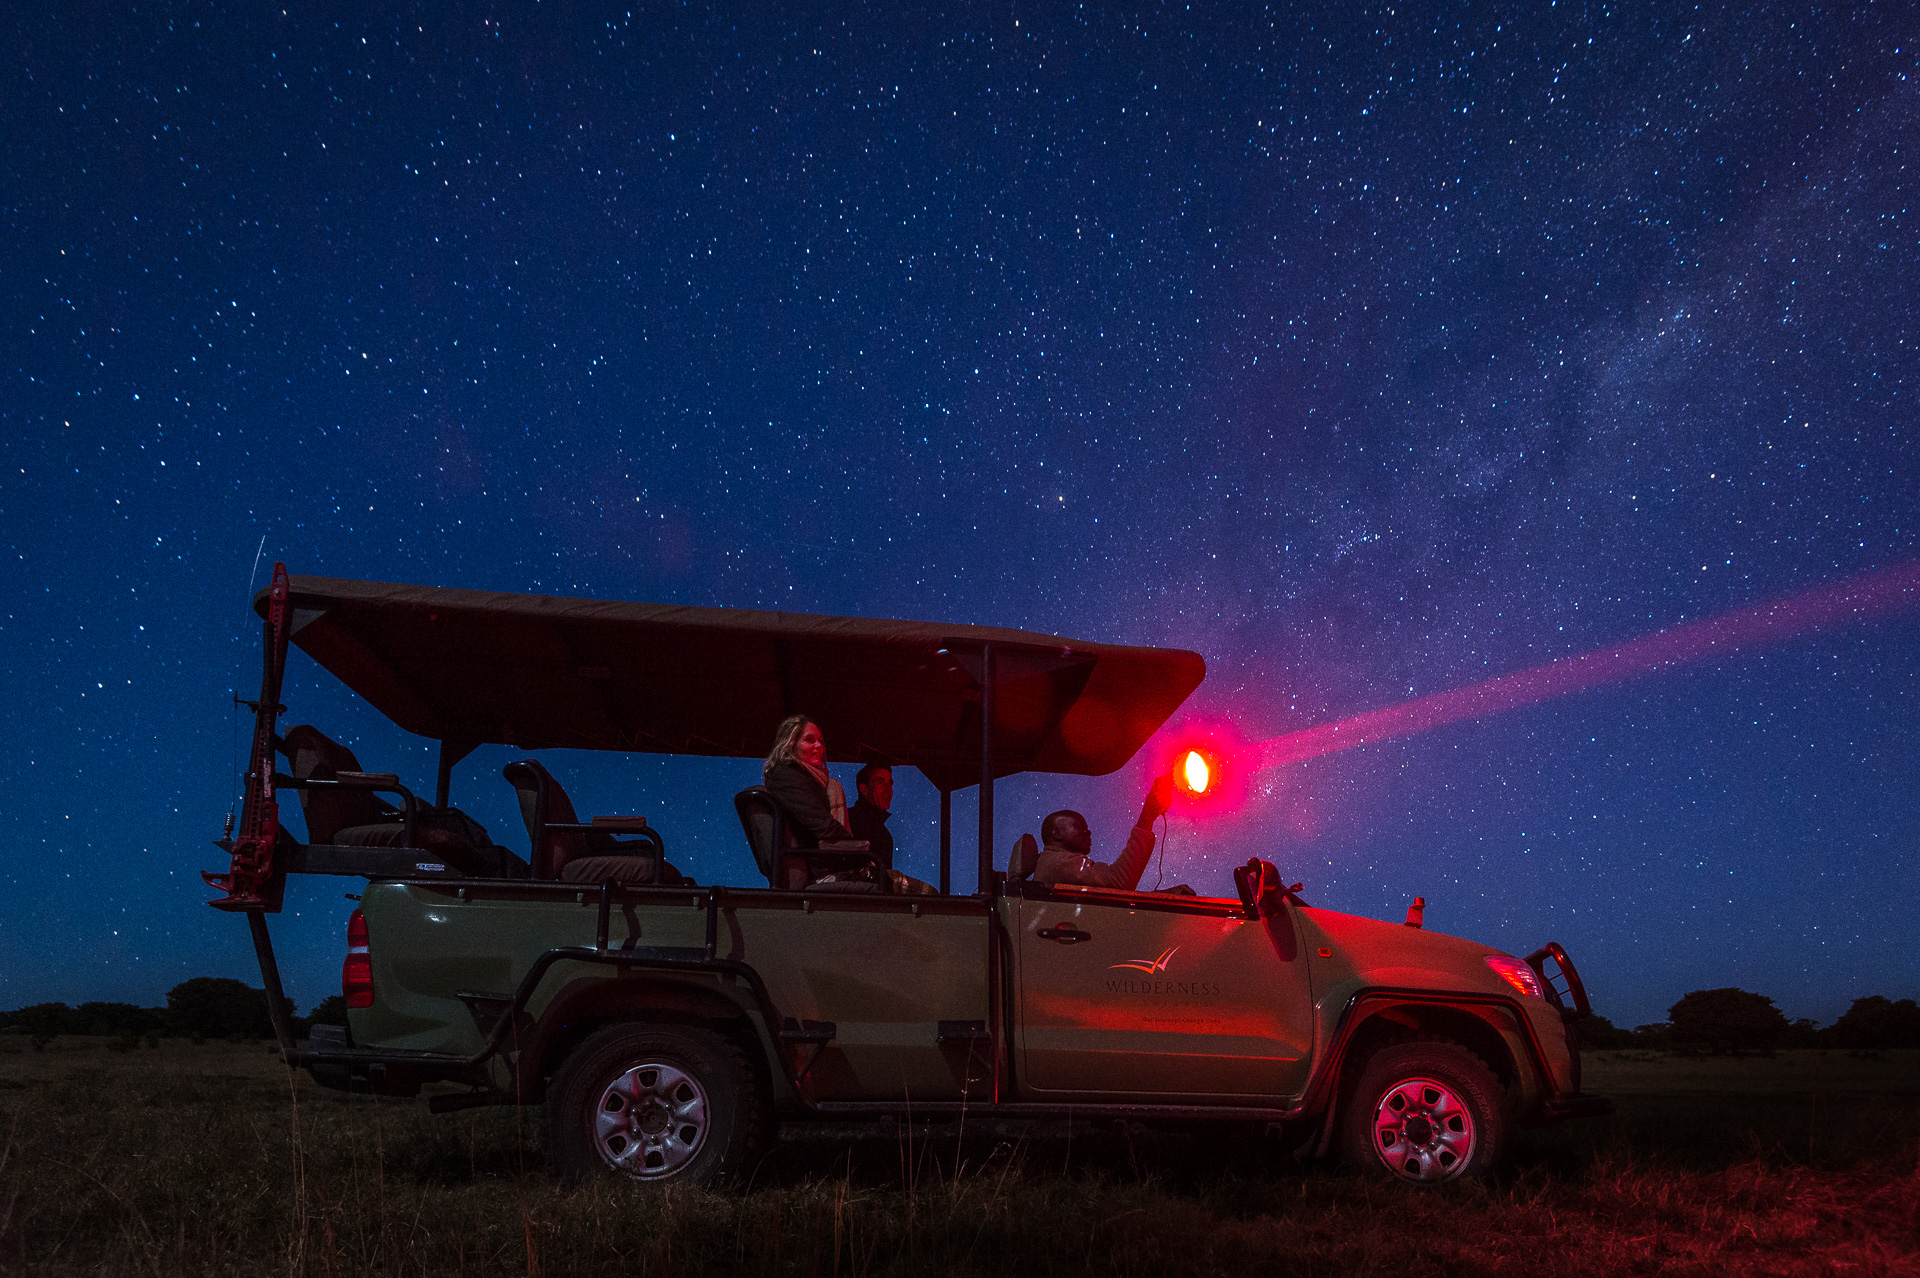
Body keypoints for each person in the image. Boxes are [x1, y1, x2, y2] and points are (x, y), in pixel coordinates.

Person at [1033, 773, 1176, 890]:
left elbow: (1111, 896)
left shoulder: (1054, 863)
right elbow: (1120, 882)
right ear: (1057, 834)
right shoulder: (1059, 863)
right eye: (1080, 827)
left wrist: (1165, 896)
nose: (1088, 832)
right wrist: (1147, 816)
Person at [762, 714, 853, 846]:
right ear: (790, 744)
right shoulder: (785, 776)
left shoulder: (809, 778)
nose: (819, 745)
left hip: (820, 855)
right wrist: (856, 848)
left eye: (820, 740)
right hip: (817, 860)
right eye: (809, 740)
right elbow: (823, 825)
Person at [847, 763, 895, 870]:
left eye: (890, 783)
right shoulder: (848, 821)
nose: (888, 789)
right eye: (880, 782)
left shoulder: (884, 834)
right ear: (864, 789)